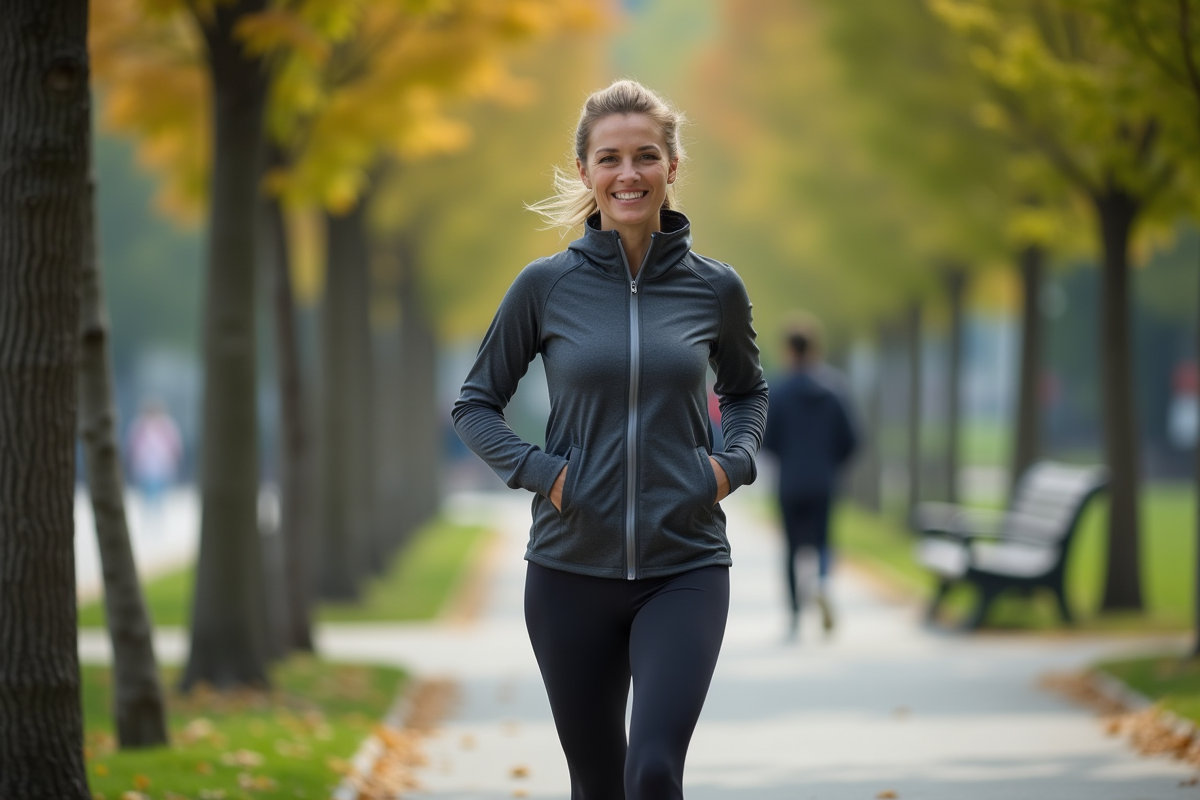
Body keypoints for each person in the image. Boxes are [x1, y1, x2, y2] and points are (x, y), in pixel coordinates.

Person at [452, 79, 769, 800]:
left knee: (653, 771)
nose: (629, 173)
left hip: (683, 565)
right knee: (597, 783)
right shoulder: (544, 287)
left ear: (672, 167)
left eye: (646, 156)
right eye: (611, 158)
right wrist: (547, 475)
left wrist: (729, 468)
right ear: (586, 172)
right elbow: (475, 405)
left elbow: (747, 391)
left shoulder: (714, 289)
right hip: (568, 571)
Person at [762, 316, 859, 640]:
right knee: (823, 541)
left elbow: (767, 438)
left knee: (791, 548)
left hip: (790, 482)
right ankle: (821, 583)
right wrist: (831, 463)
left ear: (789, 350)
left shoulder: (779, 390)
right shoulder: (835, 390)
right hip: (823, 480)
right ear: (816, 348)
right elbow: (852, 439)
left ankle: (793, 615)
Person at [126, 397, 183, 512]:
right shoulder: (140, 426)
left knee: (159, 492)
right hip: (145, 465)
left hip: (162, 464)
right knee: (148, 491)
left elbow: (174, 445)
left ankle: (156, 513)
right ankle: (150, 513)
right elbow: (132, 445)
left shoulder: (166, 425)